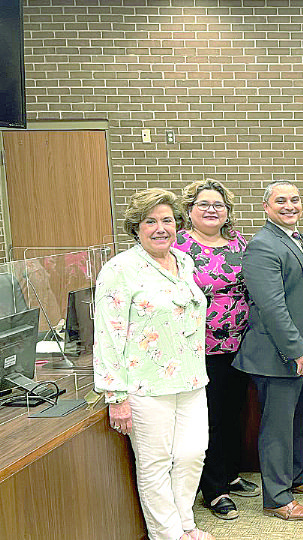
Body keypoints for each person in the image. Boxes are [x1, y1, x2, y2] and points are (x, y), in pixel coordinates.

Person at [93, 188, 212, 540]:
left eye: (166, 220)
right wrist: (116, 395)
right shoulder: (119, 270)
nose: (160, 228)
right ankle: (169, 534)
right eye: (150, 221)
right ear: (137, 228)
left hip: (191, 380)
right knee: (155, 465)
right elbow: (109, 333)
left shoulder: (183, 262)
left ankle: (185, 522)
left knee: (193, 455)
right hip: (145, 384)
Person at [233, 181, 303, 521]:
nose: (290, 206)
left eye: (295, 199)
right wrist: (295, 349)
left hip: (302, 350)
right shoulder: (262, 245)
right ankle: (277, 498)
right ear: (266, 207)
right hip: (277, 354)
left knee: (296, 420)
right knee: (277, 428)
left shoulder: (297, 240)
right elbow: (272, 306)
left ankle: (295, 477)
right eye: (281, 201)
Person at [173, 179, 259, 521]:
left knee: (233, 411)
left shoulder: (238, 242)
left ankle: (230, 473)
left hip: (240, 343)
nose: (212, 210)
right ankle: (213, 489)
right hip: (199, 347)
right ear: (189, 210)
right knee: (208, 418)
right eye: (204, 204)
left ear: (227, 211)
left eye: (218, 205)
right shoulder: (179, 247)